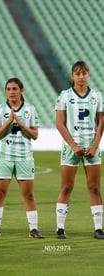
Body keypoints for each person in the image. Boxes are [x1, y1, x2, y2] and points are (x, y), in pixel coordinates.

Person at [0, 78, 43, 239]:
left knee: (29, 195)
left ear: (21, 91)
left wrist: (22, 124)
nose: (11, 92)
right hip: (3, 156)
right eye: (9, 89)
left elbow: (35, 135)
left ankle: (34, 229)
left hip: (24, 156)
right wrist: (8, 122)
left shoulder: (30, 110)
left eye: (14, 89)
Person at [55, 61, 104, 239]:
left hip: (92, 147)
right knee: (66, 187)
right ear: (72, 76)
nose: (81, 76)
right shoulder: (65, 96)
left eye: (84, 73)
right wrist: (73, 145)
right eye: (77, 73)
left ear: (88, 74)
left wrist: (95, 146)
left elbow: (101, 123)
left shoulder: (97, 96)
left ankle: (98, 228)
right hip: (70, 148)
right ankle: (60, 228)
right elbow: (59, 124)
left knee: (94, 187)